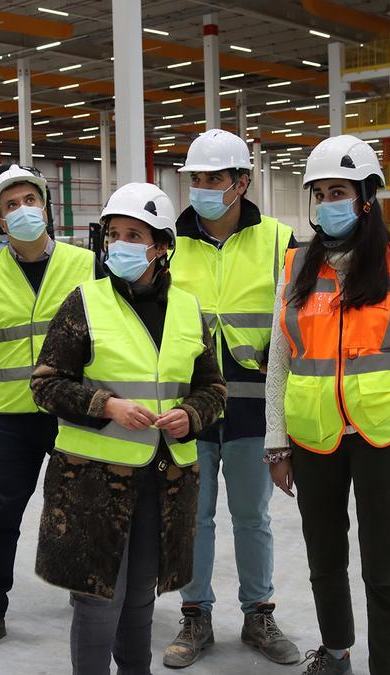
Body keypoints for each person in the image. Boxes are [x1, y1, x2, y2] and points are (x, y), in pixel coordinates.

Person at [263, 135, 390, 675]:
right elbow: (280, 360)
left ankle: (385, 668)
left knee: (384, 567)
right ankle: (336, 652)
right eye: (320, 192)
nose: (328, 202)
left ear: (367, 197)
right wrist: (275, 442)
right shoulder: (296, 266)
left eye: (339, 191)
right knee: (324, 560)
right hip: (313, 435)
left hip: (388, 437)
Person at [30, 183, 227, 674]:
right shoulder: (85, 302)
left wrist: (192, 415)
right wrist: (106, 405)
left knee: (141, 593)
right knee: (100, 598)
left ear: (161, 246)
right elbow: (46, 385)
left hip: (164, 479)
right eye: (113, 234)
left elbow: (214, 388)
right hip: (94, 482)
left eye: (133, 235)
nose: (118, 244)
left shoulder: (187, 307)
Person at [165, 128, 300, 668]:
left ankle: (257, 615)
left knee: (252, 516)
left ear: (241, 182)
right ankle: (194, 615)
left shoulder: (276, 239)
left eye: (213, 178)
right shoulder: (169, 240)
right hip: (188, 408)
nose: (202, 188)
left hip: (250, 406)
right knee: (192, 518)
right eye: (195, 179)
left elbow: (298, 314)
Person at [0, 165, 95, 656]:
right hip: (14, 416)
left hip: (73, 411)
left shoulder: (86, 264)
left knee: (79, 509)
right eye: (10, 205)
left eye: (28, 201)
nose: (22, 211)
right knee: (3, 514)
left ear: (46, 207)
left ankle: (87, 592)